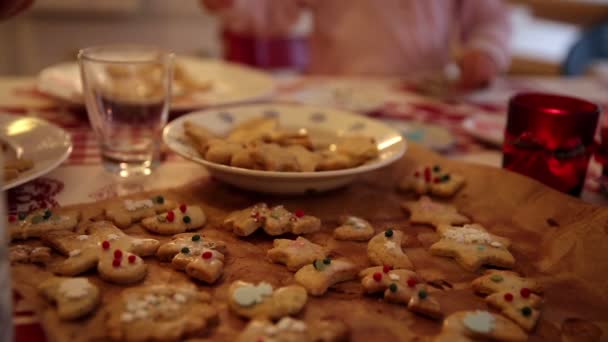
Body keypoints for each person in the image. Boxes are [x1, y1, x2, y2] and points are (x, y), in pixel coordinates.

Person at [202, 0, 511, 90]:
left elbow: (491, 17)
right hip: (337, 96)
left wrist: (486, 51)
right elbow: (271, 12)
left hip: (424, 97)